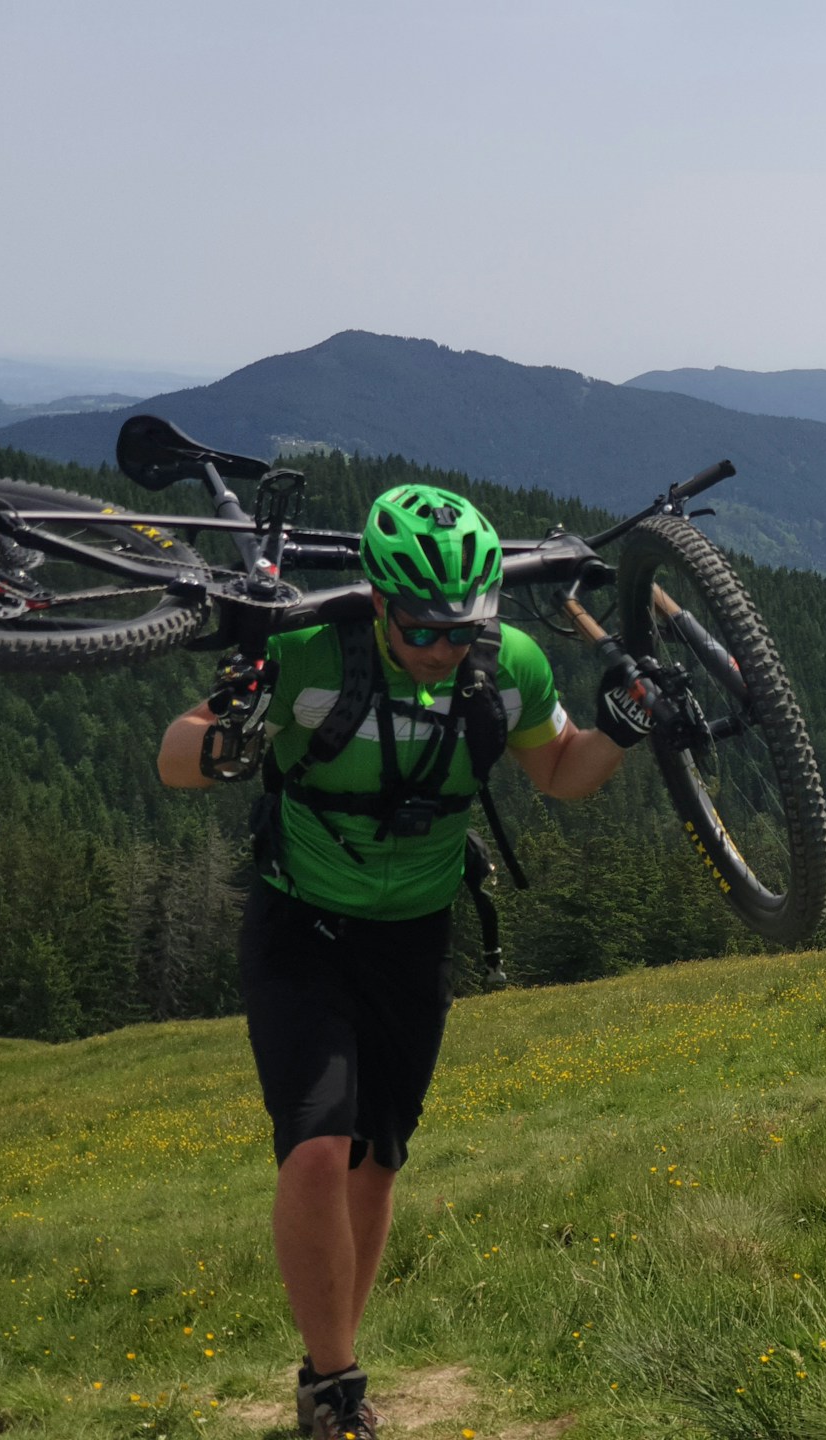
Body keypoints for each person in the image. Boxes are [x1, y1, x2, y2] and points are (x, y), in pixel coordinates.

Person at [157, 483, 656, 1439]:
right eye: (424, 628)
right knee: (314, 1148)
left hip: (415, 935)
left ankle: (332, 1359)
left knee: (376, 1160)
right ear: (379, 601)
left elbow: (562, 774)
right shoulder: (305, 651)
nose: (443, 649)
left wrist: (623, 730)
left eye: (463, 629)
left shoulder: (504, 668)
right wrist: (234, 734)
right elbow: (176, 756)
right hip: (301, 924)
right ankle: (336, 1391)